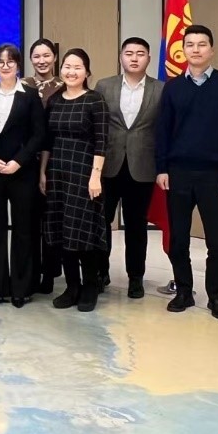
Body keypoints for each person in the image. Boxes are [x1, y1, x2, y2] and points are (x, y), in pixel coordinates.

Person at [155, 24, 218, 321]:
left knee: (217, 242)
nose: (195, 49)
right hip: (177, 174)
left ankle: (216, 297)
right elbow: (163, 131)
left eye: (201, 44)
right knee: (178, 239)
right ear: (183, 50)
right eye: (190, 44)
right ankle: (184, 291)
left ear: (212, 50)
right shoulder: (172, 87)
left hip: (214, 175)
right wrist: (161, 168)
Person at [0, 44, 46, 308]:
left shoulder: (30, 95)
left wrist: (18, 161)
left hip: (22, 173)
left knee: (24, 230)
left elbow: (39, 134)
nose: (5, 66)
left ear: (18, 65)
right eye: (0, 62)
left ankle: (20, 288)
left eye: (11, 61)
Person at [40, 48, 110, 313]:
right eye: (67, 67)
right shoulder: (55, 100)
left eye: (77, 67)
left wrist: (96, 177)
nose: (71, 71)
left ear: (87, 72)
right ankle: (72, 287)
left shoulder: (95, 100)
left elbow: (102, 141)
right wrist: (43, 172)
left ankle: (90, 286)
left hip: (84, 172)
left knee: (83, 229)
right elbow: (47, 141)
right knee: (61, 228)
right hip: (57, 171)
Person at [95, 37, 163, 299]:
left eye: (140, 53)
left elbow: (164, 130)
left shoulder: (160, 89)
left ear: (148, 58)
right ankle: (101, 272)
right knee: (102, 223)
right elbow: (97, 126)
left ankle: (136, 277)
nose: (134, 58)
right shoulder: (105, 86)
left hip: (142, 167)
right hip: (108, 166)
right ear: (121, 57)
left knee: (136, 226)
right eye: (129, 53)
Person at [22, 38, 65, 295]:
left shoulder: (64, 85)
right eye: (37, 56)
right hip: (26, 162)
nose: (42, 61)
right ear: (30, 59)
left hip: (58, 161)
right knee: (29, 221)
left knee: (52, 219)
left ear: (54, 58)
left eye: (46, 55)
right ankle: (30, 272)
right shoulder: (21, 85)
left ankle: (49, 273)